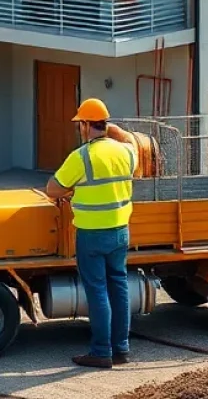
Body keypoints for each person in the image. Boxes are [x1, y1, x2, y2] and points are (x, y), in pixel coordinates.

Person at [45, 98, 138, 370]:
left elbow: (52, 189)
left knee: (97, 291)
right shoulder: (126, 152)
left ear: (86, 125)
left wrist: (73, 189)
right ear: (105, 124)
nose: (79, 129)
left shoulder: (81, 156)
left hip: (92, 235)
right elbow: (130, 141)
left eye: (80, 124)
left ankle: (101, 351)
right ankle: (121, 349)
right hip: (120, 231)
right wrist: (115, 129)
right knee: (118, 286)